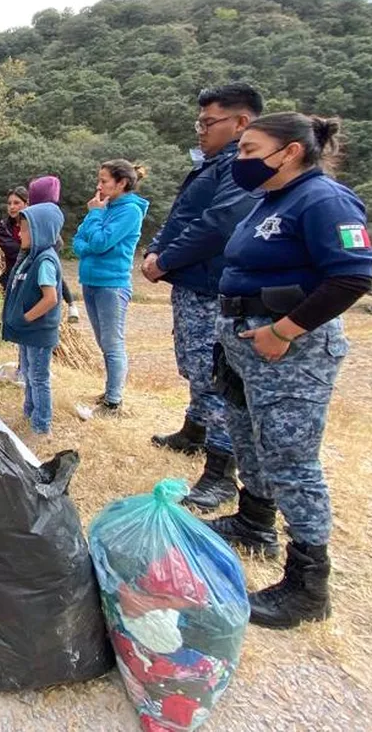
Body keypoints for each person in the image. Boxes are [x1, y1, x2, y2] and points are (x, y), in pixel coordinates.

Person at [203, 113, 372, 629]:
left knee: (291, 456)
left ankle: (307, 585)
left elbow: (352, 277)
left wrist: (285, 330)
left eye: (252, 150)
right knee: (249, 437)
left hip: (288, 350)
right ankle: (256, 522)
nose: (241, 160)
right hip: (243, 341)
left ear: (292, 152)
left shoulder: (324, 200)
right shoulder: (270, 201)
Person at [143, 83, 264, 511]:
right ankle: (194, 431)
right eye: (200, 121)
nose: (200, 130)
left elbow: (217, 225)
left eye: (209, 122)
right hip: (191, 280)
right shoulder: (213, 165)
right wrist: (157, 250)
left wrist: (164, 260)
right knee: (195, 367)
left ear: (241, 122)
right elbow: (180, 216)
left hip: (212, 285)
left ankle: (219, 472)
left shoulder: (241, 169)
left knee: (213, 375)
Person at [73, 160, 150, 416]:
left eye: (104, 181)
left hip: (112, 285)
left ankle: (114, 401)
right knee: (103, 342)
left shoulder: (130, 211)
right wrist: (90, 242)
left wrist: (94, 218)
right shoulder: (104, 207)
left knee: (112, 343)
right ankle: (109, 390)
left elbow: (100, 242)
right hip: (91, 281)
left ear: (122, 183)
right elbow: (78, 241)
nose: (99, 186)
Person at [2, 204, 66, 436]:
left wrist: (25, 318)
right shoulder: (30, 258)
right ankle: (29, 412)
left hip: (38, 331)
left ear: (42, 232)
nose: (20, 234)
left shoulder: (45, 261)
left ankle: (41, 423)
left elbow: (50, 298)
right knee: (28, 374)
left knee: (39, 378)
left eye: (26, 230)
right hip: (28, 331)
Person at [26, 175, 80, 323]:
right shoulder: (51, 210)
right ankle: (71, 304)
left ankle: (70, 304)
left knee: (49, 275)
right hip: (51, 243)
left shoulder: (42, 212)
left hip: (45, 246)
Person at [0, 187, 27, 292]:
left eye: (16, 203)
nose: (12, 207)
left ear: (26, 204)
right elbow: (13, 251)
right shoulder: (2, 226)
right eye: (9, 204)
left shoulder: (35, 225)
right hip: (10, 276)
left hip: (31, 275)